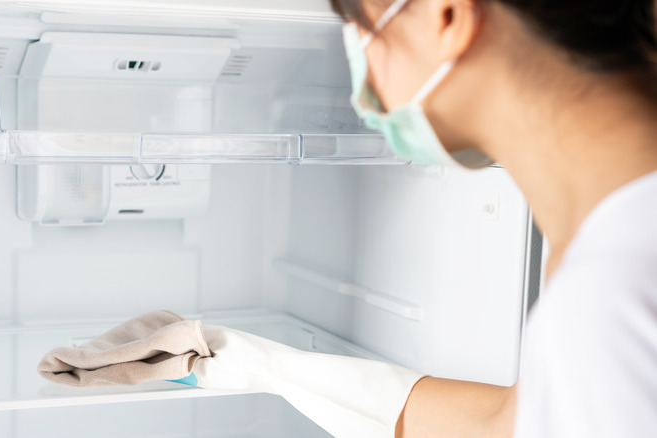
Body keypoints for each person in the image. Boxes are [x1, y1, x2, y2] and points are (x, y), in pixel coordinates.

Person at [193, 0, 657, 437]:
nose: (362, 75)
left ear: (446, 15)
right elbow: (509, 424)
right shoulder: (614, 241)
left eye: (362, 28)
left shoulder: (613, 286)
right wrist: (270, 366)